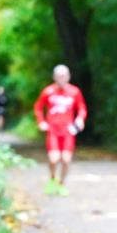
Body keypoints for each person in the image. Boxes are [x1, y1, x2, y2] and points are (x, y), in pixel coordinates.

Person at [33, 64, 87, 196]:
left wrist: (80, 119)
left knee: (66, 159)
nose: (61, 78)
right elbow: (38, 107)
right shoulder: (48, 91)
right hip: (53, 131)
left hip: (68, 131)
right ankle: (52, 179)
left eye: (64, 76)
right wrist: (41, 122)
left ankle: (62, 184)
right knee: (53, 159)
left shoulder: (75, 92)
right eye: (59, 76)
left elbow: (81, 108)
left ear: (68, 77)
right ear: (54, 77)